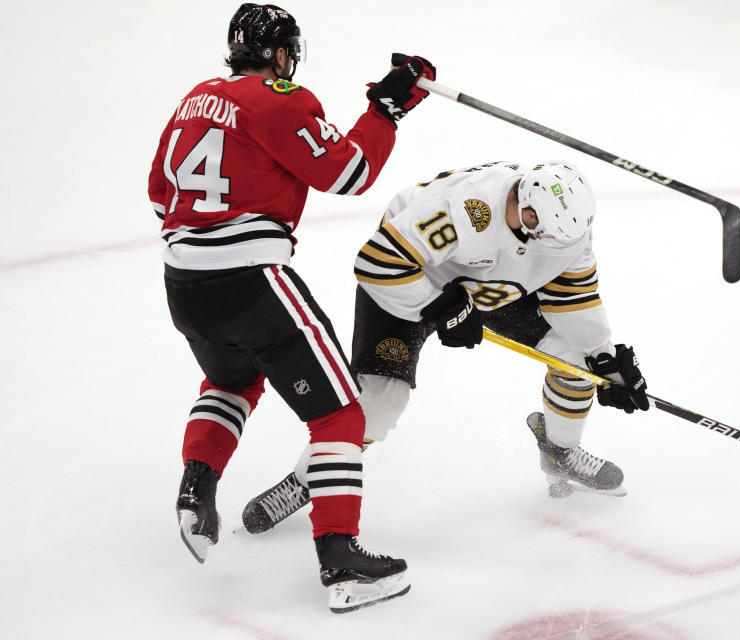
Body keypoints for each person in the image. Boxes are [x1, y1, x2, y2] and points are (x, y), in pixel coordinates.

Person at [147, 3, 435, 613]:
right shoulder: (282, 98)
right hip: (249, 279)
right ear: (280, 52)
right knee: (340, 416)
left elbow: (159, 193)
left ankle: (196, 491)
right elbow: (349, 172)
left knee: (231, 381)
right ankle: (341, 562)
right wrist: (383, 111)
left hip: (182, 283)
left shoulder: (194, 98)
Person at [241, 160, 650, 535]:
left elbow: (572, 298)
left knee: (575, 360)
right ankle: (309, 477)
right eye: (543, 239)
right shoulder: (467, 207)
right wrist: (440, 308)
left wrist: (604, 358)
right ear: (526, 211)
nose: (552, 252)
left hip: (487, 285)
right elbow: (377, 263)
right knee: (382, 402)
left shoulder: (567, 230)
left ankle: (559, 451)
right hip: (412, 276)